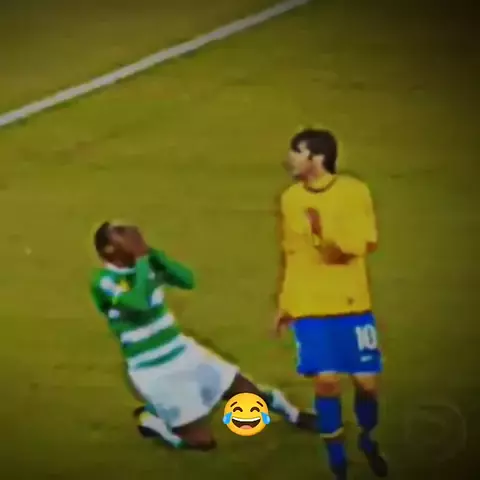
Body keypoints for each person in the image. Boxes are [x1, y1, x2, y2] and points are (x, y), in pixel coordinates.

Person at [89, 221, 315, 450]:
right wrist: (141, 259)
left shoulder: (147, 265)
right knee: (202, 442)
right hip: (154, 370)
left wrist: (153, 253)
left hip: (183, 351)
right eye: (124, 236)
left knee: (249, 395)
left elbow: (187, 280)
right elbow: (139, 303)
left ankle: (294, 414)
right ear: (108, 250)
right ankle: (152, 420)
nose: (133, 240)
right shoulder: (104, 281)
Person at [275, 129, 388, 479]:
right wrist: (285, 302)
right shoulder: (290, 199)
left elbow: (356, 248)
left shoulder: (354, 192)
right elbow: (292, 254)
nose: (290, 159)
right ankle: (337, 460)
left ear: (317, 158)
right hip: (310, 306)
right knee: (326, 382)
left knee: (367, 384)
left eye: (297, 152)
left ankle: (367, 438)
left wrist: (322, 233)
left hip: (352, 304)